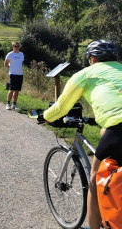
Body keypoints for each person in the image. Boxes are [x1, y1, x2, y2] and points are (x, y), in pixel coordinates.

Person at [40, 40, 122, 229]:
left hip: (118, 128)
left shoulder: (85, 74)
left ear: (92, 59)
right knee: (105, 133)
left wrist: (44, 117)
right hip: (115, 128)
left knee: (94, 181)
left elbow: (61, 107)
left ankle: (93, 226)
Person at [4, 41, 24, 110]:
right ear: (13, 47)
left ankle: (14, 104)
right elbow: (6, 64)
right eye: (15, 46)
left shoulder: (21, 54)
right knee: (11, 89)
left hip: (20, 74)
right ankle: (8, 104)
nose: (17, 48)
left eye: (18, 46)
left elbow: (20, 63)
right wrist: (11, 68)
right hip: (12, 74)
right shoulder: (10, 54)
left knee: (17, 90)